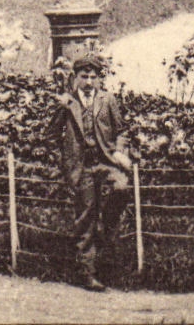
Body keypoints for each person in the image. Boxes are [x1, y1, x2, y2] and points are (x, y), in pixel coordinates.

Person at [55, 53, 134, 292]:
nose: (89, 82)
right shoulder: (67, 103)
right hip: (82, 167)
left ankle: (106, 228)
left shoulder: (107, 100)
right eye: (84, 77)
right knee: (85, 216)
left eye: (93, 77)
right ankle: (87, 273)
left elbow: (122, 130)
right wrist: (66, 159)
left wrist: (120, 152)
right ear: (75, 78)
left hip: (106, 162)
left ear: (99, 78)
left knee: (121, 188)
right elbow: (51, 135)